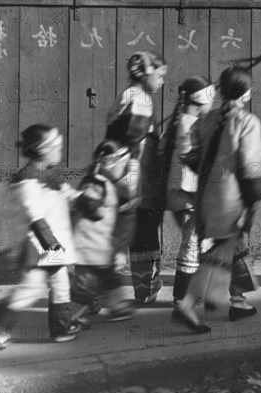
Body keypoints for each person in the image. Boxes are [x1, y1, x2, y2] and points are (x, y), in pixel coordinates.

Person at [172, 66, 261, 333]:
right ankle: (191, 305)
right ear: (246, 93)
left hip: (206, 199)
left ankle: (228, 301)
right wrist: (253, 202)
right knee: (224, 252)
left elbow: (189, 155)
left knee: (223, 252)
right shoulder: (247, 122)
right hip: (231, 199)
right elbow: (252, 169)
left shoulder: (207, 119)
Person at [0, 124, 89, 348]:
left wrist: (88, 200)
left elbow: (69, 194)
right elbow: (34, 214)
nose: (60, 150)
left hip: (53, 245)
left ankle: (61, 329)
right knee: (31, 289)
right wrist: (50, 243)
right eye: (56, 146)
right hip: (37, 244)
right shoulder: (26, 179)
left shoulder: (50, 175)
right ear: (43, 149)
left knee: (61, 286)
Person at [105, 51, 168, 304]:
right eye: (161, 75)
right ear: (146, 73)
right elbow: (133, 143)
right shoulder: (140, 99)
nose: (163, 82)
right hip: (136, 179)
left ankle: (140, 290)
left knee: (131, 235)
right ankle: (142, 289)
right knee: (142, 232)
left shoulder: (129, 95)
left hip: (124, 176)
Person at [69, 140, 138, 329]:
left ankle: (118, 307)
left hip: (101, 246)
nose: (122, 169)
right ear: (107, 163)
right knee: (84, 287)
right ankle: (67, 318)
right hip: (89, 246)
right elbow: (85, 202)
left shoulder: (107, 183)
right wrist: (94, 207)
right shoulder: (96, 182)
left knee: (110, 278)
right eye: (119, 164)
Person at [162, 76, 215, 305]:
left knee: (197, 242)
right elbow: (192, 164)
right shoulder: (191, 125)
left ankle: (194, 293)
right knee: (193, 244)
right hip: (190, 195)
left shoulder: (177, 121)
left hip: (178, 195)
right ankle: (182, 298)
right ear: (203, 100)